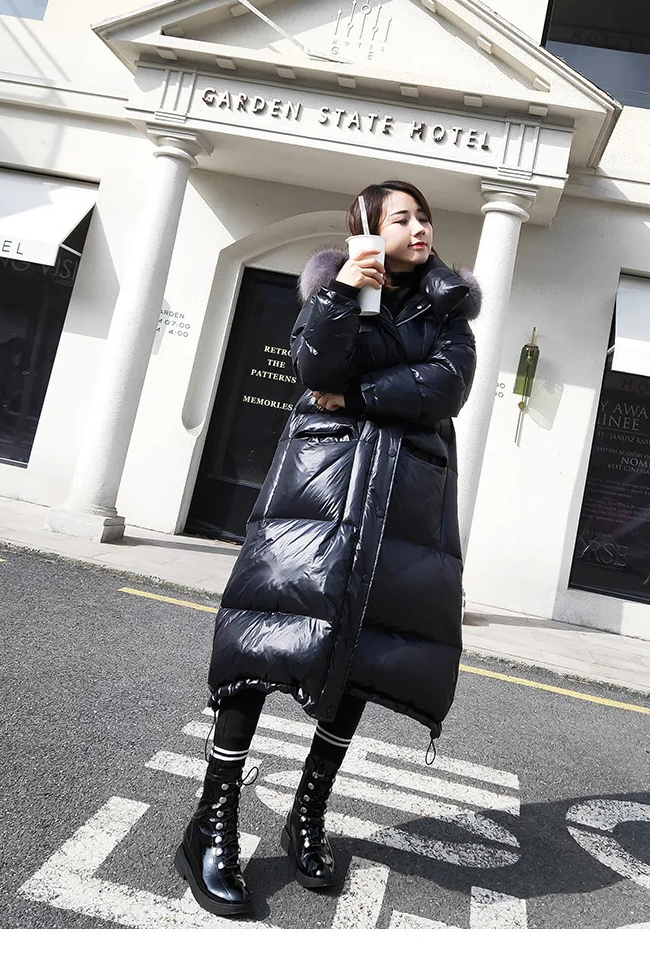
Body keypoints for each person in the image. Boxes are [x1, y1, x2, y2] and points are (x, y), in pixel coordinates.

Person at [175, 179, 481, 917]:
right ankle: (211, 821)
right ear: (368, 227)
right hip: (317, 491)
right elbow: (316, 370)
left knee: (363, 656)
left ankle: (307, 811)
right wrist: (345, 288)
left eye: (424, 216)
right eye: (402, 217)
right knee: (261, 638)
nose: (420, 227)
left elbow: (446, 386)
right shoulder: (332, 290)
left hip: (403, 505)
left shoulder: (449, 309)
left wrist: (364, 395)